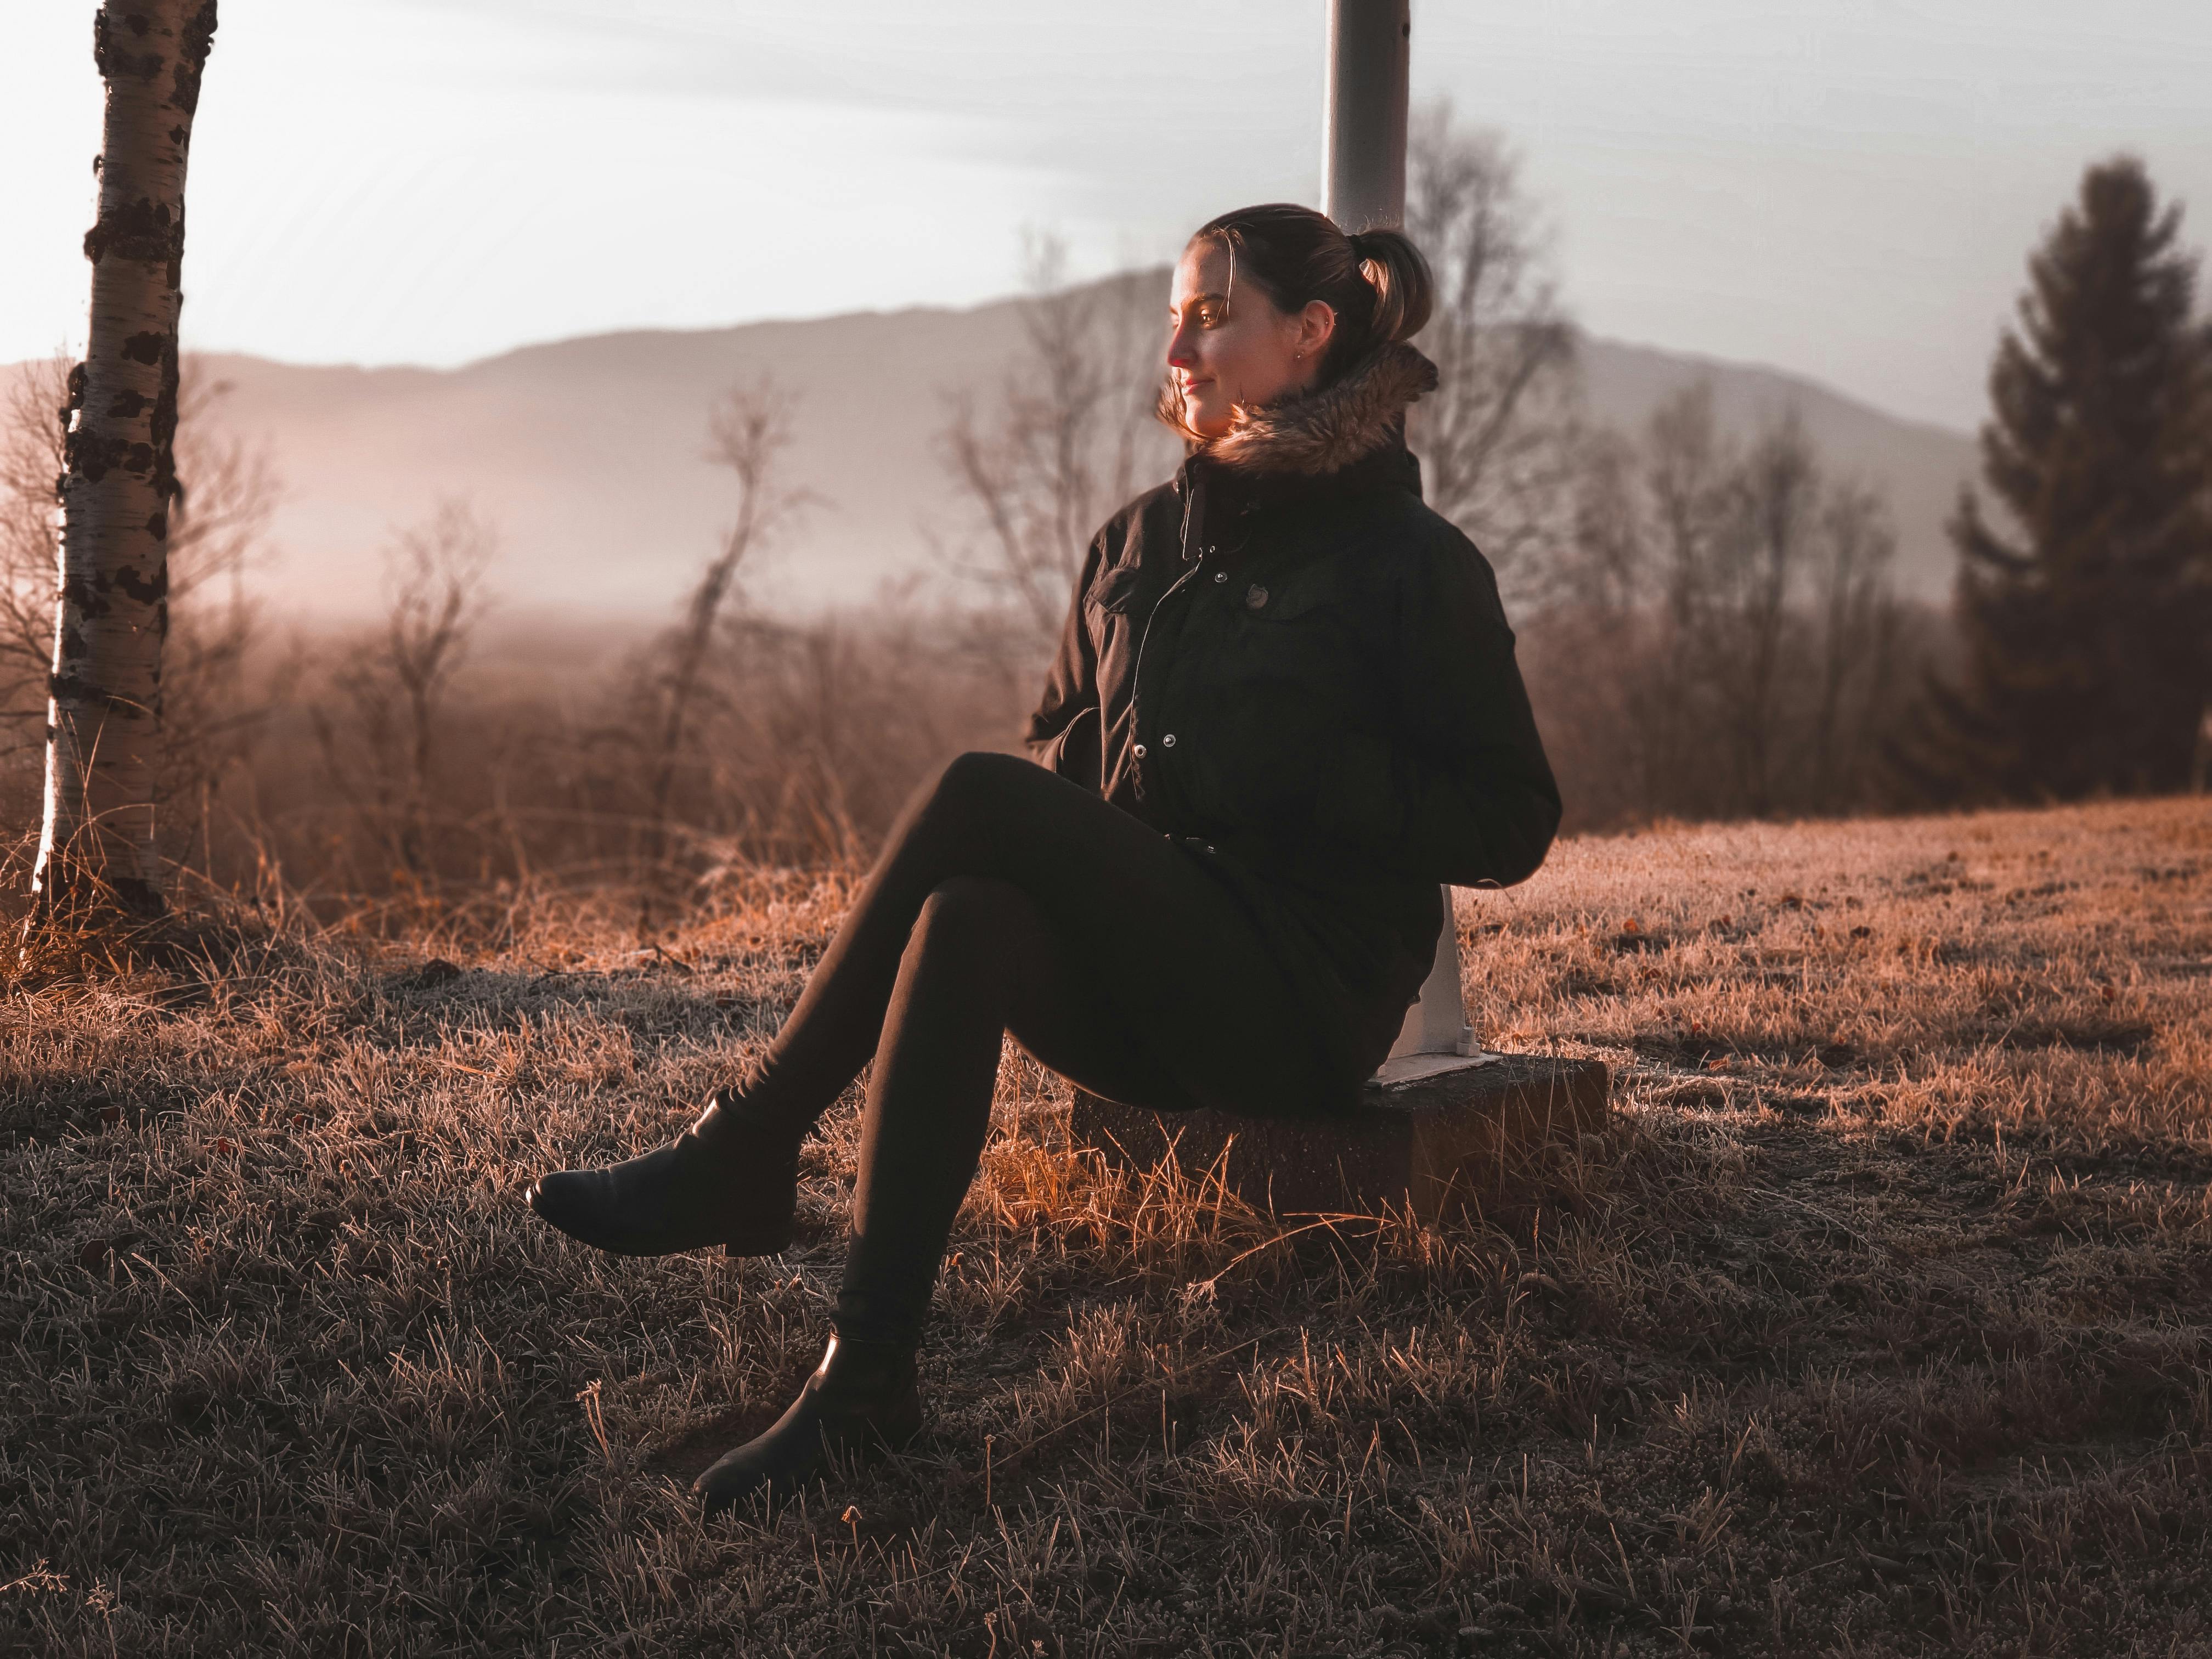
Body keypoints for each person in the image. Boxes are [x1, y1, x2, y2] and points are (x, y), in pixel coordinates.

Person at [526, 202, 1561, 1515]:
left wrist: (1315, 773)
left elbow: (1510, 819)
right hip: (1151, 979)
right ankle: (865, 1387)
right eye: (1175, 315)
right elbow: (1060, 738)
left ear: (1308, 336)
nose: (1178, 345)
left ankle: (751, 1144)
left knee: (975, 794)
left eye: (1212, 316)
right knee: (968, 913)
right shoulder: (1136, 542)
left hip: (1297, 993)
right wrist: (1114, 792)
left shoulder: (1411, 565)